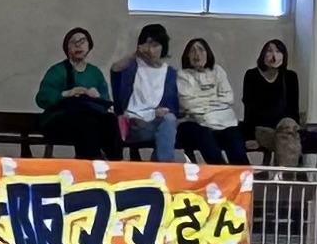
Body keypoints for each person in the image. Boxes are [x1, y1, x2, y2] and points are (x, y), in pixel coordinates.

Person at [35, 28, 119, 154]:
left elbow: (106, 100)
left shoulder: (95, 72)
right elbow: (42, 98)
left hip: (92, 120)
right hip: (60, 121)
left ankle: (114, 162)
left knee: (110, 120)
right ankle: (90, 163)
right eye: (73, 42)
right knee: (86, 123)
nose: (78, 45)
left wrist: (97, 96)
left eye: (82, 41)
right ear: (67, 48)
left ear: (89, 46)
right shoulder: (57, 71)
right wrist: (67, 94)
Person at [174, 37, 244, 165]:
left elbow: (229, 98)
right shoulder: (182, 75)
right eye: (192, 51)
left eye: (201, 50)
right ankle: (221, 171)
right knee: (203, 134)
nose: (197, 54)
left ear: (208, 53)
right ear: (187, 55)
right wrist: (215, 102)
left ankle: (244, 173)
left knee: (233, 136)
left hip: (222, 122)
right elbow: (188, 104)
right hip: (193, 122)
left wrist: (203, 103)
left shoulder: (218, 71)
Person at [113, 22, 179, 157]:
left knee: (169, 121)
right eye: (147, 44)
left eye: (155, 45)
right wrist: (135, 54)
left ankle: (161, 165)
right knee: (165, 130)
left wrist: (161, 111)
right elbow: (115, 70)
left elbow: (173, 107)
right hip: (133, 122)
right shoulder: (132, 67)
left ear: (163, 47)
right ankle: (163, 166)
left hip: (157, 121)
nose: (151, 50)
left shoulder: (170, 73)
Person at [244, 38, 304, 166]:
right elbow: (248, 108)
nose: (274, 55)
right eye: (269, 51)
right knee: (288, 142)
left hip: (286, 127)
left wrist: (295, 129)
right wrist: (249, 136)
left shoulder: (290, 77)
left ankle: (281, 174)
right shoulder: (252, 75)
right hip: (263, 129)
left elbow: (293, 108)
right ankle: (286, 175)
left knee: (288, 129)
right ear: (263, 55)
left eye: (278, 51)